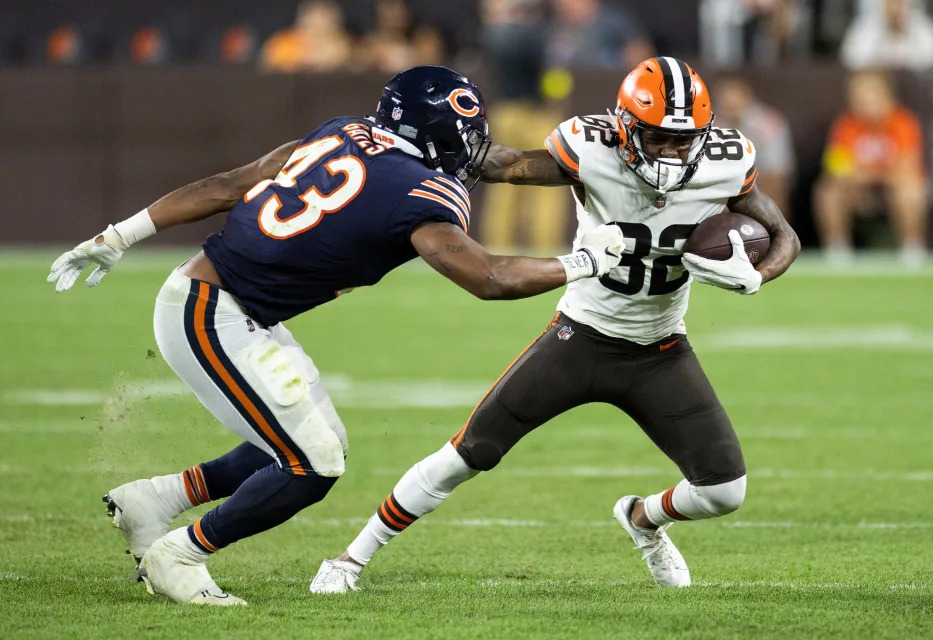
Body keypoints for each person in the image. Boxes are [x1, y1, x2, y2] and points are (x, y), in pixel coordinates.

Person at [46, 65, 625, 606]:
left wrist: (119, 234)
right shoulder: (423, 193)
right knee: (311, 463)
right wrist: (582, 262)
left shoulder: (340, 131)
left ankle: (155, 500)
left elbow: (229, 185)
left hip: (228, 308)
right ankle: (182, 554)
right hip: (212, 315)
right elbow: (488, 277)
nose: (472, 150)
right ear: (436, 138)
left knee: (318, 443)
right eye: (463, 137)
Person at [313, 56, 801, 593]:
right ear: (624, 126)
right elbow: (507, 166)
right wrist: (424, 138)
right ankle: (348, 561)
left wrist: (756, 276)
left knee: (723, 491)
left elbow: (784, 238)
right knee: (469, 454)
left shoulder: (727, 163)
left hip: (660, 349)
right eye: (657, 137)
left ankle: (642, 520)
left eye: (682, 140)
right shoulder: (591, 148)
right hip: (579, 337)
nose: (670, 152)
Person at [814, 72, 927, 265]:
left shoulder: (903, 122)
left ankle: (911, 248)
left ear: (888, 97)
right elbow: (835, 169)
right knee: (827, 191)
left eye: (871, 96)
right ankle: (837, 249)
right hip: (857, 189)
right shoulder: (846, 124)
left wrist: (865, 174)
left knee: (910, 189)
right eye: (859, 98)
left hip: (892, 187)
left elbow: (907, 167)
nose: (865, 103)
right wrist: (863, 178)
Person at [480, 0, 567, 252]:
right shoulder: (540, 36)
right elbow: (553, 79)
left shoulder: (495, 35)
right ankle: (545, 248)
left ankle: (497, 248)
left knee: (502, 184)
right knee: (547, 183)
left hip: (504, 112)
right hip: (535, 112)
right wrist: (557, 99)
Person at [714, 77, 794, 219]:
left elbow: (777, 168)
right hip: (727, 181)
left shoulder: (769, 123)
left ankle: (777, 234)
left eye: (736, 99)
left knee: (773, 184)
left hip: (762, 177)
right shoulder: (713, 126)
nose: (731, 105)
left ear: (747, 99)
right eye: (726, 102)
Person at [840, 0, 933, 71]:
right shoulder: (864, 31)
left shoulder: (924, 29)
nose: (894, 9)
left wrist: (906, 31)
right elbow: (853, 60)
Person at [547, 0, 653, 69]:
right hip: (569, 93)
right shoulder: (553, 28)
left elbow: (640, 50)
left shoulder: (613, 21)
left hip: (609, 88)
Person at [259, 0, 352, 73]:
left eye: (326, 25)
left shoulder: (345, 47)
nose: (319, 31)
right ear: (302, 23)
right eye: (314, 25)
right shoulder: (282, 46)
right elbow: (268, 71)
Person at [356, 0, 444, 73]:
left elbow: (432, 60)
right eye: (391, 6)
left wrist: (401, 57)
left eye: (402, 6)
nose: (398, 12)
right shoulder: (368, 44)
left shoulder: (425, 38)